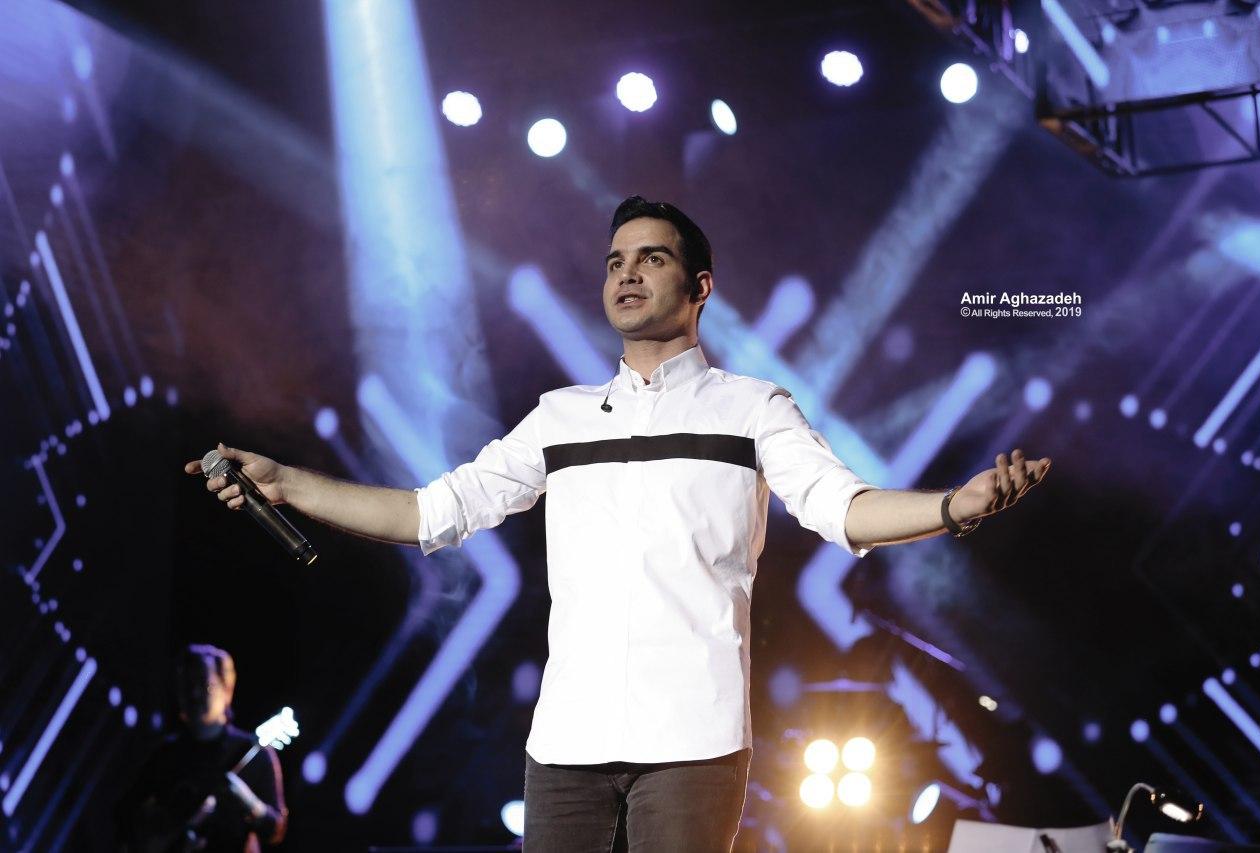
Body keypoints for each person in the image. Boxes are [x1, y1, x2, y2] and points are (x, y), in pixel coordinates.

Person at [184, 195, 1050, 852]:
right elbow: (428, 513)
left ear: (700, 287)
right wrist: (288, 483)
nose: (626, 274)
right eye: (614, 261)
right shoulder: (560, 416)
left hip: (694, 741)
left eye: (651, 258)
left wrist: (953, 506)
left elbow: (845, 509)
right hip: (566, 744)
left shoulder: (752, 408)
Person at [119, 645, 287, 853]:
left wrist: (248, 800)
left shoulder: (256, 755)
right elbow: (126, 815)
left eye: (205, 685)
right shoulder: (165, 755)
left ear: (226, 690)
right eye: (187, 686)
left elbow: (276, 831)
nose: (195, 694)